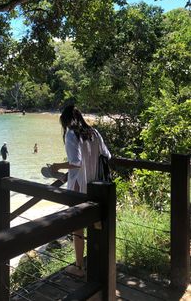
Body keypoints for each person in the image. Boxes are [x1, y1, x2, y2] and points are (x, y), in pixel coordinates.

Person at [50, 105, 111, 276]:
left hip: (78, 187)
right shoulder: (94, 133)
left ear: (66, 121)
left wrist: (57, 166)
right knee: (95, 223)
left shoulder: (71, 133)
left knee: (78, 229)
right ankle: (98, 262)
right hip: (96, 186)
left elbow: (76, 163)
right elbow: (107, 156)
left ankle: (79, 268)